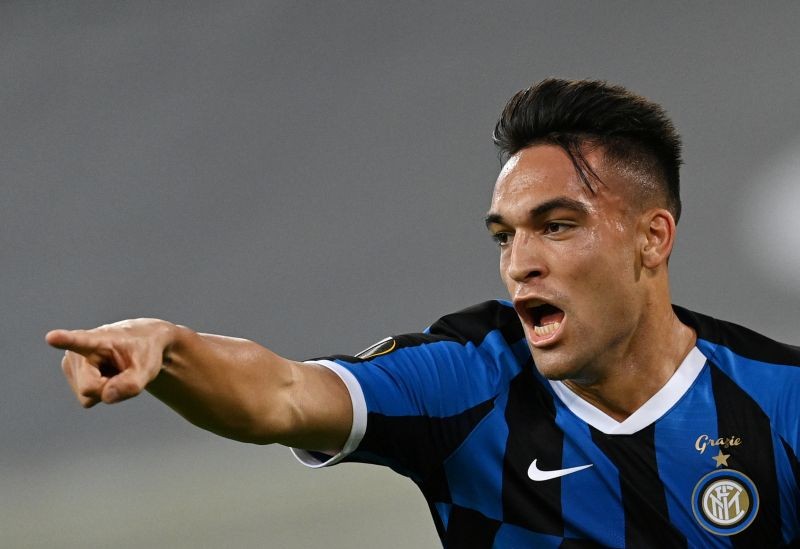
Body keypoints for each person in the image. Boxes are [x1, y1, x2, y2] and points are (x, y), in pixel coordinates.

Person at [47, 78, 800, 548]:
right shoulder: (468, 380)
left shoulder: (783, 403)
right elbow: (281, 393)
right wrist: (170, 349)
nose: (520, 261)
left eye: (557, 225)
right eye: (506, 235)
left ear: (651, 238)